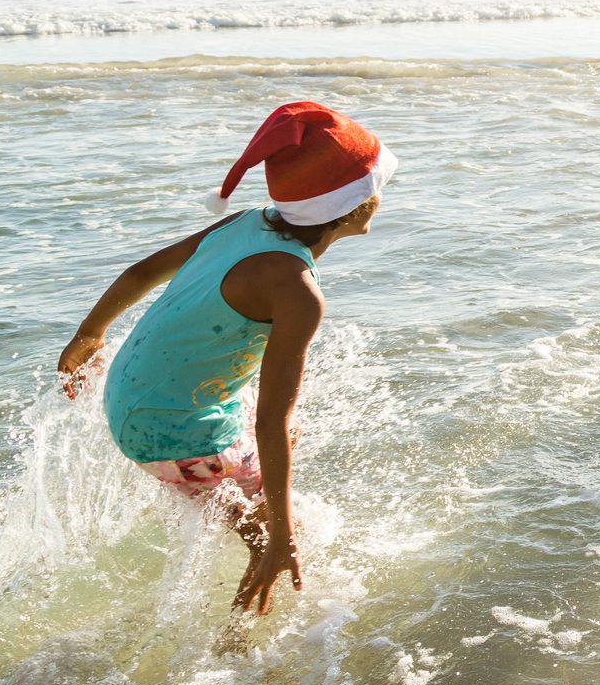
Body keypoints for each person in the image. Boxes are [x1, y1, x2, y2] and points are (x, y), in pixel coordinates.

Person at [57, 102, 396, 614]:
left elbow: (139, 272)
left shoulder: (248, 222)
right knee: (272, 536)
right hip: (169, 432)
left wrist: (88, 336)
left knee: (287, 434)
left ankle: (236, 499)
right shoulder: (297, 292)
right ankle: (233, 649)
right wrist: (280, 531)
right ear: (352, 208)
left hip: (133, 397)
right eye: (376, 187)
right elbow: (269, 419)